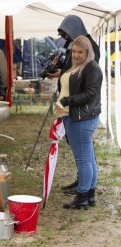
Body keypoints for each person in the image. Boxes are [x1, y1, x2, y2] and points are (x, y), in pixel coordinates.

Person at [48, 15, 101, 195]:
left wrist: (66, 99)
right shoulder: (76, 45)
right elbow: (73, 71)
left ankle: (84, 190)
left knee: (84, 155)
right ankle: (85, 186)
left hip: (80, 110)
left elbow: (85, 83)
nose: (76, 53)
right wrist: (60, 71)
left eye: (68, 34)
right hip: (75, 109)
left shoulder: (91, 50)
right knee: (82, 154)